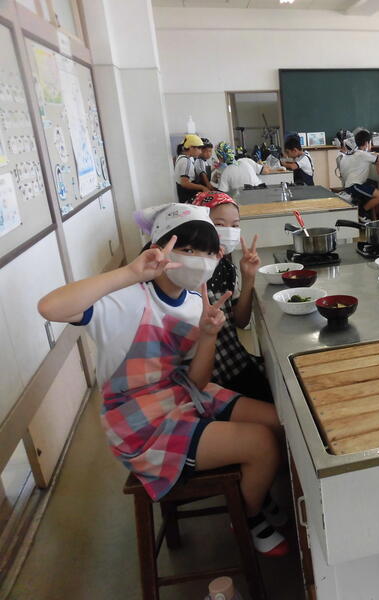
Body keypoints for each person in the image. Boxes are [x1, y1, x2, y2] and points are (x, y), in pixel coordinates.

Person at [37, 203, 289, 556]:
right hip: (137, 420)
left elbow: (197, 383)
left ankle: (254, 495)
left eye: (206, 252)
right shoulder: (124, 300)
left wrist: (208, 336)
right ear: (159, 248)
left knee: (279, 422)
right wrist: (129, 272)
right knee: (261, 443)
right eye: (188, 249)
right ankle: (247, 516)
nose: (199, 260)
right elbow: (50, 308)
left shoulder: (194, 303)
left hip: (181, 393)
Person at [192, 191, 272, 402]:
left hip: (236, 363)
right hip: (205, 377)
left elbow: (240, 321)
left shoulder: (226, 268)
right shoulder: (187, 271)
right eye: (219, 224)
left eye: (235, 225)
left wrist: (248, 277)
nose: (228, 231)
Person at [337, 129, 379, 219]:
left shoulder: (358, 153)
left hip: (352, 185)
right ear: (366, 143)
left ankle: (363, 214)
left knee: (376, 192)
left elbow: (376, 162)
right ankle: (361, 214)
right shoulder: (363, 155)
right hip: (354, 186)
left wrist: (376, 157)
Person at [174, 134, 209, 203]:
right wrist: (203, 187)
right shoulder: (186, 161)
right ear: (191, 148)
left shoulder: (182, 157)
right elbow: (185, 183)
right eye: (199, 148)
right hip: (187, 198)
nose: (200, 152)